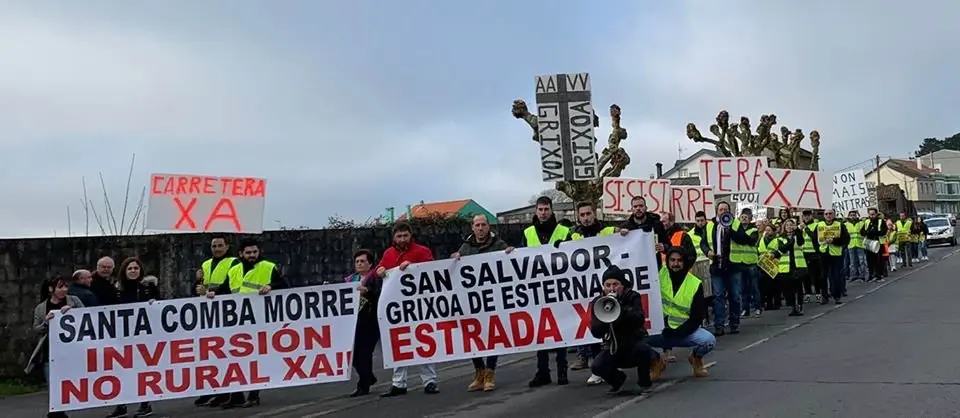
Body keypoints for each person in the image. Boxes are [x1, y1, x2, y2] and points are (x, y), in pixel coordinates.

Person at [208, 238, 288, 408]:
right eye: (248, 252)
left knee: (255, 360)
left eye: (254, 252)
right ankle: (237, 395)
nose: (252, 255)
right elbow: (225, 290)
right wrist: (212, 294)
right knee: (234, 359)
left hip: (260, 321)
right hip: (237, 322)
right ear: (241, 254)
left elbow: (284, 286)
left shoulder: (268, 267)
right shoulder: (234, 270)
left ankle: (253, 395)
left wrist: (271, 286)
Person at [377, 222, 441, 397]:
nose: (402, 239)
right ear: (393, 238)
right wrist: (380, 271)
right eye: (399, 236)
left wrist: (412, 267)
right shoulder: (388, 254)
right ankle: (398, 383)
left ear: (411, 236)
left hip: (419, 305)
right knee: (399, 343)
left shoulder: (421, 251)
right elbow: (379, 270)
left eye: (405, 235)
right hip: (398, 308)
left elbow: (432, 270)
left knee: (424, 342)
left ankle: (429, 381)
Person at [452, 214, 514, 392]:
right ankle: (479, 372)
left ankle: (489, 373)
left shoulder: (499, 245)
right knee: (473, 336)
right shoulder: (465, 247)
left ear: (489, 227)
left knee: (493, 335)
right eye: (477, 225)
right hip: (473, 302)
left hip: (493, 299)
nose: (480, 228)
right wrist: (455, 259)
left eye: (483, 225)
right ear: (472, 228)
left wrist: (510, 254)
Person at [564, 201, 616, 384]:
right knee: (591, 326)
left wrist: (625, 235)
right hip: (585, 289)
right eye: (582, 215)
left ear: (594, 214)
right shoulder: (572, 235)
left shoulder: (608, 231)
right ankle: (597, 367)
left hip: (607, 287)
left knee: (610, 327)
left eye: (588, 214)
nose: (586, 218)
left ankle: (608, 364)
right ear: (578, 217)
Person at [523, 196, 572, 388]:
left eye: (546, 209)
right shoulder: (527, 233)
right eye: (540, 209)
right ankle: (542, 371)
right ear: (536, 211)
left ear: (552, 210)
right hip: (537, 290)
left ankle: (562, 370)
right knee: (540, 332)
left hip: (559, 288)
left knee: (561, 329)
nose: (543, 213)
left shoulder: (564, 231)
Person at [589, 265, 658, 394]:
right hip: (614, 348)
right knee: (596, 366)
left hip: (634, 344)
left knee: (643, 349)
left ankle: (645, 382)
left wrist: (621, 309)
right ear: (603, 287)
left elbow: (639, 319)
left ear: (622, 285)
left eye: (615, 284)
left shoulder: (632, 297)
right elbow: (596, 333)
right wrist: (604, 319)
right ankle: (617, 380)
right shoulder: (598, 303)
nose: (612, 289)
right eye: (608, 285)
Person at [647, 248, 715, 381]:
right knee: (637, 340)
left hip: (684, 331)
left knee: (708, 341)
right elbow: (645, 260)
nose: (675, 264)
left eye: (679, 261)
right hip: (660, 331)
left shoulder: (695, 284)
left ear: (685, 263)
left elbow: (697, 318)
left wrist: (679, 332)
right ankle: (656, 362)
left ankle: (696, 358)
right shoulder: (659, 275)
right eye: (672, 260)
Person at [107, 258, 159, 418]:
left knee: (142, 372)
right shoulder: (116, 289)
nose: (133, 271)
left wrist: (155, 303)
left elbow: (160, 307)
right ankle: (121, 405)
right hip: (122, 338)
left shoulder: (148, 288)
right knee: (121, 372)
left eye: (136, 268)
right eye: (130, 268)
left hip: (143, 338)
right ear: (124, 271)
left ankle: (145, 404)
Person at [194, 237, 241, 407]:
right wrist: (197, 283)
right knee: (211, 354)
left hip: (227, 311)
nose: (217, 248)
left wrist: (208, 292)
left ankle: (231, 393)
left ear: (227, 246)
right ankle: (217, 391)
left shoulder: (234, 262)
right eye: (214, 246)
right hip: (209, 313)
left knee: (227, 353)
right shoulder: (206, 264)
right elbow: (200, 287)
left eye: (220, 245)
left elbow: (230, 286)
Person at [30, 275, 83, 418]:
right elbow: (36, 329)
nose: (64, 290)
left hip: (71, 351)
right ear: (50, 289)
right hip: (50, 353)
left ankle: (58, 412)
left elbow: (86, 318)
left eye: (66, 286)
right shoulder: (41, 308)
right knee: (53, 386)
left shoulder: (74, 301)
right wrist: (46, 322)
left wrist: (73, 311)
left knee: (70, 384)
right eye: (60, 287)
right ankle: (56, 412)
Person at [705, 201, 744, 335]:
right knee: (718, 296)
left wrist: (730, 228)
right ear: (717, 211)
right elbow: (703, 242)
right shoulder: (710, 225)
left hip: (733, 266)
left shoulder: (736, 223)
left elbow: (742, 239)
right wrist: (707, 252)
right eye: (721, 209)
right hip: (717, 266)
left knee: (734, 296)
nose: (723, 212)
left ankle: (734, 323)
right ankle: (719, 325)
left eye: (725, 209)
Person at [618, 196, 669, 269]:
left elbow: (669, 245)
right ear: (631, 209)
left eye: (641, 206)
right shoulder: (625, 226)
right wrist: (620, 236)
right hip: (634, 267)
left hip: (654, 267)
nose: (638, 208)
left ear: (646, 208)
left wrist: (664, 247)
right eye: (635, 206)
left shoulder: (656, 224)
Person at [769, 219, 808, 316]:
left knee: (798, 287)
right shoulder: (780, 238)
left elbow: (800, 242)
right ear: (784, 227)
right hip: (785, 267)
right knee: (787, 288)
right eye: (787, 225)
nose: (789, 227)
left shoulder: (798, 235)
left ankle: (799, 306)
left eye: (791, 225)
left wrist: (798, 230)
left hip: (798, 265)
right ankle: (792, 306)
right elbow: (783, 249)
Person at [730, 208, 761, 318]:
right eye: (742, 217)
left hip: (751, 262)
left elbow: (750, 240)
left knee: (754, 287)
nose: (743, 219)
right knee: (743, 288)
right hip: (740, 262)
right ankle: (745, 308)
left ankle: (758, 307)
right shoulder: (736, 229)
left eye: (746, 217)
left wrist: (739, 235)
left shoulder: (754, 230)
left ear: (750, 219)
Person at [818, 209, 850, 304]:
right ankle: (824, 296)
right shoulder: (819, 225)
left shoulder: (840, 225)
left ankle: (836, 295)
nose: (828, 215)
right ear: (824, 215)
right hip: (823, 253)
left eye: (830, 214)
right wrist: (818, 251)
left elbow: (846, 239)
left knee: (836, 276)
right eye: (826, 214)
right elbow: (814, 240)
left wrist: (834, 241)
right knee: (823, 276)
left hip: (836, 254)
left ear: (834, 214)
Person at [799, 210, 824, 303]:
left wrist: (806, 228)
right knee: (806, 275)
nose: (806, 217)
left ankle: (818, 293)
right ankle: (807, 294)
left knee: (816, 274)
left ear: (811, 216)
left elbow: (814, 236)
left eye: (808, 215)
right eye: (805, 216)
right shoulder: (800, 226)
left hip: (814, 253)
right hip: (803, 253)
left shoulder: (816, 225)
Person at [757, 224, 781, 310]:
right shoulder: (762, 240)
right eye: (766, 230)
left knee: (773, 286)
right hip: (763, 265)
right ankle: (764, 303)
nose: (767, 232)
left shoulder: (777, 240)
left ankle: (775, 303)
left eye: (769, 230)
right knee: (763, 285)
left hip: (773, 265)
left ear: (774, 231)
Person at [860, 208, 888, 282]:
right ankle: (871, 275)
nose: (871, 216)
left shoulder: (880, 221)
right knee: (869, 261)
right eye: (870, 214)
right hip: (869, 244)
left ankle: (879, 275)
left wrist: (874, 232)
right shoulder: (867, 222)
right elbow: (862, 232)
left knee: (878, 261)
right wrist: (867, 232)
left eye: (873, 214)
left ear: (876, 214)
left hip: (878, 243)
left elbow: (884, 231)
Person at [845, 210, 867, 282]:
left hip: (860, 244)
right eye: (851, 215)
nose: (853, 216)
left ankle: (862, 275)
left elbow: (864, 233)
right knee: (852, 262)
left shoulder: (861, 223)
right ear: (849, 216)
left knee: (861, 261)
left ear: (856, 215)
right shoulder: (846, 224)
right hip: (851, 245)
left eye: (854, 215)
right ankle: (854, 275)